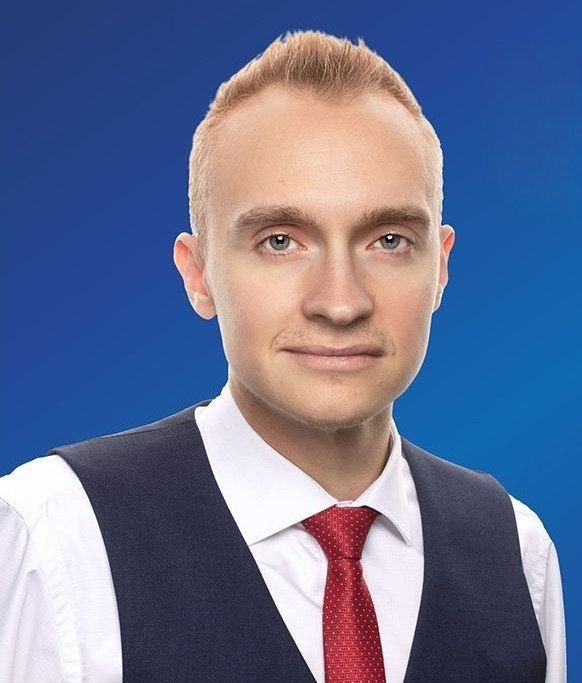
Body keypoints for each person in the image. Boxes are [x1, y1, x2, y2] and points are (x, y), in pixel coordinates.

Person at [0, 29, 566, 683]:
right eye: (279, 241)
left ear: (439, 268)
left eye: (387, 240)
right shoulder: (56, 539)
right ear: (198, 274)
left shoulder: (517, 551)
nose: (341, 302)